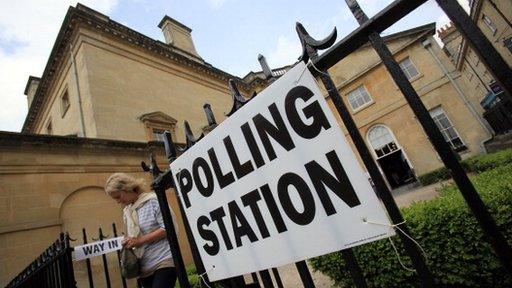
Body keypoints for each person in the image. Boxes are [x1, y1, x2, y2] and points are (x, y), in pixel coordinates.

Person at [105, 173, 177, 288]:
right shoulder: (127, 211)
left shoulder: (153, 201)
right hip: (143, 267)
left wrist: (139, 241)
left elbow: (168, 227)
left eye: (118, 197)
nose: (118, 201)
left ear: (126, 188)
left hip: (163, 261)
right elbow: (134, 237)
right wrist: (128, 241)